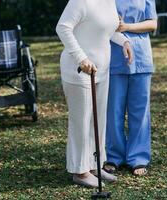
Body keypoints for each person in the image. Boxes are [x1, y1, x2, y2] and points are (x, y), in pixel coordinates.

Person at [56, 0, 133, 187]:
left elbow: (107, 29)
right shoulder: (80, 1)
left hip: (101, 70)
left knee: (98, 120)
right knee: (82, 121)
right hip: (79, 70)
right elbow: (63, 27)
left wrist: (124, 41)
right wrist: (81, 57)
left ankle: (94, 166)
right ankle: (80, 172)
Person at [104, 0, 157, 176]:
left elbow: (152, 23)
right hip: (114, 58)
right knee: (113, 111)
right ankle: (114, 156)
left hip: (141, 58)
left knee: (140, 112)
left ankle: (138, 158)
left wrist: (126, 26)